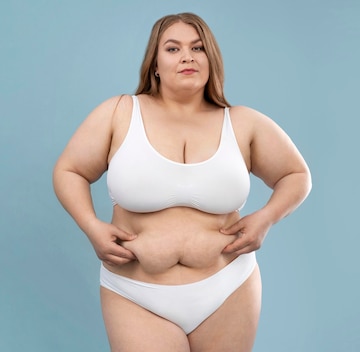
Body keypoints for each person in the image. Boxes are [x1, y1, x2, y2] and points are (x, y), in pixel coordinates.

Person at [52, 12, 311, 352]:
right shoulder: (119, 113)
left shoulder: (243, 123)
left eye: (198, 48)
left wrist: (266, 218)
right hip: (136, 293)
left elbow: (297, 175)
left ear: (210, 59)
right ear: (155, 64)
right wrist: (91, 226)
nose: (187, 56)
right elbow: (69, 171)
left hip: (229, 288)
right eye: (173, 49)